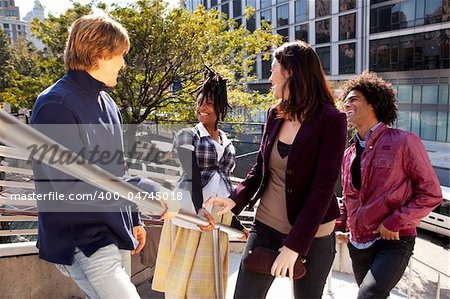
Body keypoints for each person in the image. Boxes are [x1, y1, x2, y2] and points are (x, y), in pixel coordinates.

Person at [31, 15, 177, 298]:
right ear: (99, 53)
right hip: (83, 240)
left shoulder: (107, 103)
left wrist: (134, 217)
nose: (124, 64)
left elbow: (116, 166)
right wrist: (150, 191)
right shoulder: (54, 104)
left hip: (110, 232)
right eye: (121, 55)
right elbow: (71, 185)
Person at [206, 41, 348, 298]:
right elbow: (260, 170)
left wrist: (294, 246)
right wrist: (233, 200)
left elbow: (323, 189)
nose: (270, 77)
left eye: (273, 69)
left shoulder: (332, 120)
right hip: (266, 226)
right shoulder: (274, 114)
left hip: (313, 235)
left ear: (290, 72)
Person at [335, 71, 442, 298]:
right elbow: (349, 198)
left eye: (353, 99)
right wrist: (343, 224)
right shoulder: (348, 154)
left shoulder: (404, 141)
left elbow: (431, 193)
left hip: (393, 240)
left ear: (373, 104)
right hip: (358, 244)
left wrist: (395, 221)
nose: (347, 104)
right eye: (345, 100)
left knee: (368, 296)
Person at [152, 67, 248, 298]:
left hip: (217, 214)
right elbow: (189, 174)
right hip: (190, 210)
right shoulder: (187, 135)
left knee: (208, 283)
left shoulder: (228, 142)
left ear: (221, 107)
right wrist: (198, 210)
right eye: (199, 103)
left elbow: (224, 186)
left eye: (209, 103)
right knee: (183, 280)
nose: (202, 108)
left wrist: (236, 224)